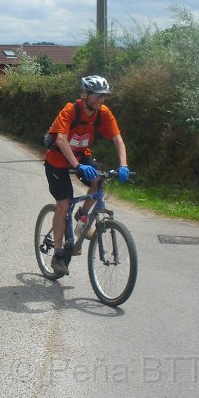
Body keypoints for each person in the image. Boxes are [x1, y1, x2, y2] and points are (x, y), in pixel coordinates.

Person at [44, 75, 130, 277]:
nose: (100, 101)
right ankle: (57, 254)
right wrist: (76, 165)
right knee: (63, 204)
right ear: (85, 94)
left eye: (103, 97)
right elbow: (62, 140)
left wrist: (123, 164)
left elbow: (117, 138)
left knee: (99, 180)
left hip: (82, 157)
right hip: (57, 161)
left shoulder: (103, 113)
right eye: (96, 96)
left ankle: (82, 217)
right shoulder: (70, 110)